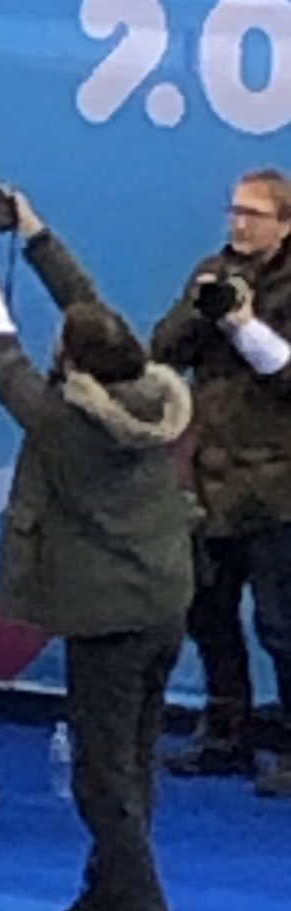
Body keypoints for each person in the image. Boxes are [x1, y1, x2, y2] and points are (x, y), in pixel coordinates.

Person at [0, 195, 193, 911]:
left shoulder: (63, 420)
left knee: (100, 779)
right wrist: (35, 231)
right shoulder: (151, 391)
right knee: (134, 763)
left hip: (106, 618)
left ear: (73, 363)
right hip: (161, 602)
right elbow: (92, 310)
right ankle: (106, 894)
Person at [151, 169, 291, 796]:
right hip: (209, 480)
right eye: (234, 210)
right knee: (208, 612)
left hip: (277, 482)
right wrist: (206, 311)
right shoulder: (213, 269)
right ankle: (226, 735)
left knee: (281, 623)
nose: (239, 224)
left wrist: (243, 325)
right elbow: (164, 348)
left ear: (284, 223)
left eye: (254, 214)